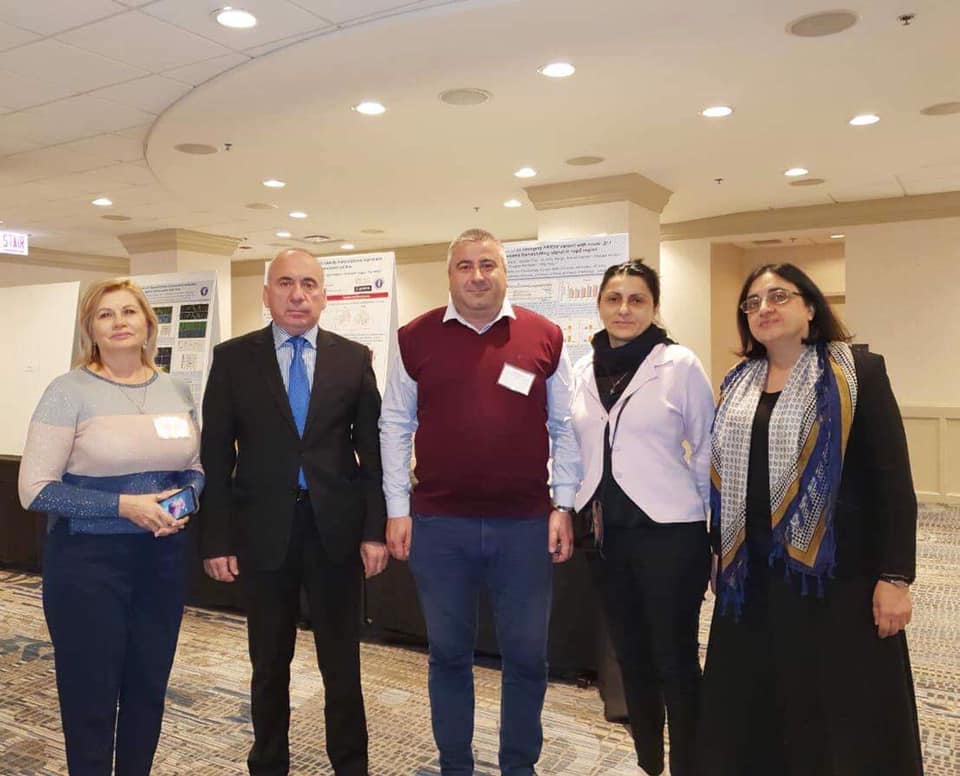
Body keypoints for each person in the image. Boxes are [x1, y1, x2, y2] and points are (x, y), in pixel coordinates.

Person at [698, 263, 923, 776]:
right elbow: (726, 478)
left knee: (836, 708)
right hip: (753, 576)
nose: (764, 309)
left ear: (810, 307)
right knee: (759, 703)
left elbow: (892, 481)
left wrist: (895, 577)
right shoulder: (738, 382)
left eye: (779, 296)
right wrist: (719, 549)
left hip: (835, 577)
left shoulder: (857, 373)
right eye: (753, 302)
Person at [379, 228, 581, 776]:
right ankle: (455, 765)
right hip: (439, 525)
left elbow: (564, 426)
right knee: (448, 654)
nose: (477, 276)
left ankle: (519, 766)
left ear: (504, 272)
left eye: (487, 264)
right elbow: (395, 424)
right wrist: (397, 508)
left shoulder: (544, 336)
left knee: (527, 658)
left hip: (525, 527)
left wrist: (563, 505)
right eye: (465, 266)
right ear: (450, 275)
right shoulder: (414, 338)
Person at [199, 249, 388, 776]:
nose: (297, 294)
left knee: (342, 663)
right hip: (263, 532)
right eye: (285, 283)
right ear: (267, 294)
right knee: (268, 662)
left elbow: (372, 456)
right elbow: (216, 455)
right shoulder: (233, 359)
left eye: (308, 284)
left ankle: (351, 764)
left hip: (335, 534)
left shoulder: (353, 358)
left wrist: (374, 531)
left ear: (325, 296)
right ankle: (268, 763)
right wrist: (217, 539)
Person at [18, 278, 203, 776]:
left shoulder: (176, 389)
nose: (119, 322)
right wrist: (124, 506)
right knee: (91, 695)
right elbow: (35, 489)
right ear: (91, 329)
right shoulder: (67, 391)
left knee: (148, 689)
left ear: (148, 323)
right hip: (87, 564)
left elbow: (194, 467)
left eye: (129, 311)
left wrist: (185, 499)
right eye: (105, 314)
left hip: (162, 560)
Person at [570, 260, 714, 776]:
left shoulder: (678, 364)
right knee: (630, 656)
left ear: (654, 306)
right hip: (606, 537)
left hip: (671, 533)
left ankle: (691, 765)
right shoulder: (583, 368)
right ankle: (649, 762)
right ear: (600, 305)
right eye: (614, 298)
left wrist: (712, 530)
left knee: (674, 657)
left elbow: (707, 447)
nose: (624, 309)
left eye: (637, 299)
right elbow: (571, 448)